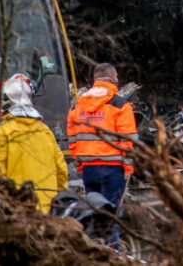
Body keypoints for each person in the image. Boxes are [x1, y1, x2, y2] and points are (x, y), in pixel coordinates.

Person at [67, 63, 137, 249]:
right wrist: (128, 168)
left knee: (93, 214)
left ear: (95, 80)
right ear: (114, 78)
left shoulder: (77, 105)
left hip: (89, 169)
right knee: (110, 216)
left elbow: (72, 138)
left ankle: (93, 252)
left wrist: (81, 163)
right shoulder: (121, 105)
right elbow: (128, 140)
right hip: (113, 169)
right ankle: (111, 254)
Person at [0, 74, 67, 213]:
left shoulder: (3, 131)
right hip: (49, 207)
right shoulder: (45, 131)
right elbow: (61, 171)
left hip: (19, 208)